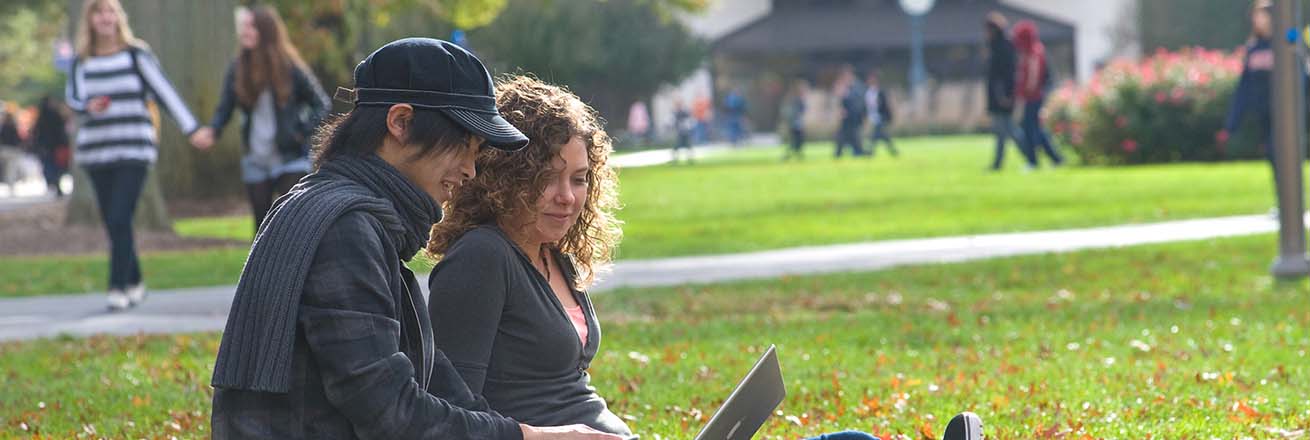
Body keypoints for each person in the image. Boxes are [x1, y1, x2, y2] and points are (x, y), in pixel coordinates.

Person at [425, 74, 982, 440]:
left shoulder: (552, 257)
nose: (567, 197)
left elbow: (566, 389)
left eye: (578, 180)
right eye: (546, 179)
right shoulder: (481, 259)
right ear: (504, 176)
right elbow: (459, 418)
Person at [209, 38, 618, 440]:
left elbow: (437, 381)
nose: (471, 171)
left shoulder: (348, 215)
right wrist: (526, 437)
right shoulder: (345, 229)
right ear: (401, 123)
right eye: (463, 146)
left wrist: (522, 433)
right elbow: (390, 414)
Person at [65, 0, 202, 310]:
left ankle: (117, 286)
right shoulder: (81, 61)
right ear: (90, 20)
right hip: (97, 152)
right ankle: (136, 281)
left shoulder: (135, 54)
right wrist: (88, 106)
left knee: (119, 215)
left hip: (133, 148)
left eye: (110, 11)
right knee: (116, 222)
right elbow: (73, 98)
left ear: (118, 17)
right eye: (98, 12)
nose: (105, 17)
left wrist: (191, 128)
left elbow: (164, 92)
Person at [191, 5, 330, 233]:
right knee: (262, 229)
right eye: (243, 27)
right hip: (256, 160)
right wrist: (212, 132)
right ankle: (264, 269)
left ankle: (295, 267)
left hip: (290, 157)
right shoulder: (238, 68)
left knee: (291, 223)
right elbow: (225, 108)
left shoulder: (290, 67)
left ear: (266, 31)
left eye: (251, 27)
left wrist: (300, 132)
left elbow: (321, 103)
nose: (244, 32)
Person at [1219, 0, 1275, 182]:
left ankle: (1293, 201)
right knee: (1273, 156)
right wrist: (1232, 123)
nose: (1259, 20)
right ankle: (1283, 201)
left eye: (1263, 15)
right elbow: (1244, 87)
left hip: (1285, 112)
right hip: (1263, 113)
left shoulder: (1284, 43)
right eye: (1256, 16)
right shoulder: (1253, 48)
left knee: (1283, 153)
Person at [983, 12, 1030, 171]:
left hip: (1002, 97)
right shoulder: (999, 46)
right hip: (1000, 96)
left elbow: (1005, 75)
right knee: (1002, 133)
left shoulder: (1002, 47)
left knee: (1009, 131)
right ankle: (998, 164)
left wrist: (1004, 95)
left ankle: (1031, 156)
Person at [1013, 20, 1063, 168]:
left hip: (1034, 97)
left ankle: (1033, 161)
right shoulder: (1034, 50)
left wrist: (1024, 93)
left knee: (1030, 129)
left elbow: (1032, 78)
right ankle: (1055, 159)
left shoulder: (1033, 52)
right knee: (1037, 130)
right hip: (1034, 96)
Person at [31, 96, 71, 197]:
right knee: (56, 167)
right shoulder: (55, 115)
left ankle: (52, 182)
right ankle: (55, 183)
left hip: (46, 146)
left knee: (49, 166)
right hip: (55, 145)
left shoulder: (41, 117)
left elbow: (36, 132)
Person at [834, 65, 867, 158]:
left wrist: (845, 95)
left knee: (852, 136)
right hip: (847, 118)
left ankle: (856, 151)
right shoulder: (847, 87)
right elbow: (842, 102)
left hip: (854, 117)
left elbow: (858, 102)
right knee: (845, 135)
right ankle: (841, 152)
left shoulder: (857, 86)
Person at [864, 73, 897, 157]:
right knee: (883, 136)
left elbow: (885, 105)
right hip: (874, 117)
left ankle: (870, 151)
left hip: (881, 117)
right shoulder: (867, 92)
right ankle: (893, 151)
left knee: (876, 134)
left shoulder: (880, 92)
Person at [782, 78, 808, 160]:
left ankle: (796, 154)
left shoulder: (794, 99)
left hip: (795, 123)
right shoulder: (796, 100)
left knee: (796, 141)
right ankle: (791, 155)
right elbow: (799, 111)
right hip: (796, 124)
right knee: (796, 140)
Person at [672, 98, 694, 164]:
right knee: (677, 145)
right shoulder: (675, 112)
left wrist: (688, 128)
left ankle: (690, 158)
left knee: (688, 145)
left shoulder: (685, 112)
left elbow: (689, 121)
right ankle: (675, 159)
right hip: (679, 131)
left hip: (685, 131)